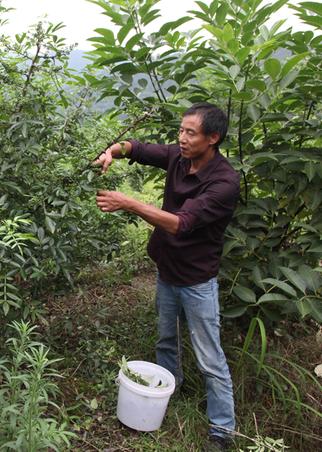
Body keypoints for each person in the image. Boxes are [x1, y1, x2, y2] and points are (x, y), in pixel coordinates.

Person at [94, 103, 239, 452]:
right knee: (166, 340)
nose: (182, 138)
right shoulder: (179, 157)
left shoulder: (224, 182)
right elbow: (137, 148)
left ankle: (222, 430)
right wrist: (110, 151)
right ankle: (166, 392)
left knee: (210, 356)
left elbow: (181, 224)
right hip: (167, 268)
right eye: (181, 130)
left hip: (197, 280)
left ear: (213, 138)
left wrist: (129, 202)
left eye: (191, 133)